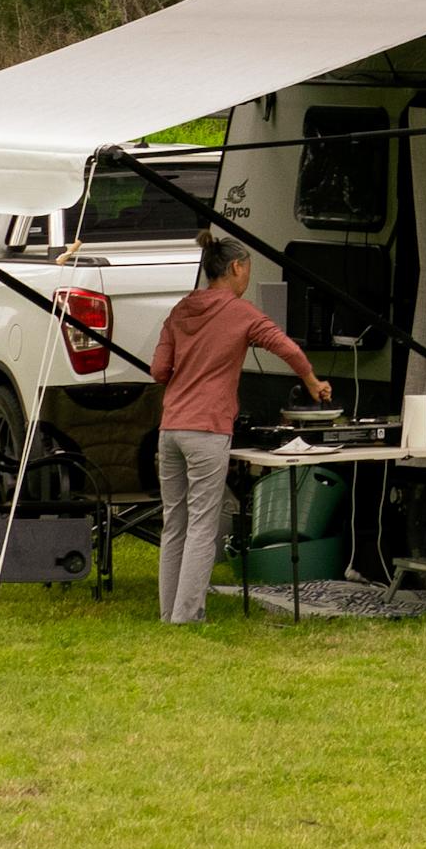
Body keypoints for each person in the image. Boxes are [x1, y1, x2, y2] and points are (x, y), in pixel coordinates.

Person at [150, 233, 326, 624]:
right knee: (201, 524)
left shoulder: (180, 310)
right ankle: (188, 615)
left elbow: (159, 370)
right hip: (208, 428)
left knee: (174, 521)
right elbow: (288, 349)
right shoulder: (241, 312)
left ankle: (168, 614)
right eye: (247, 267)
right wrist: (313, 382)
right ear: (236, 267)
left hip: (171, 427)